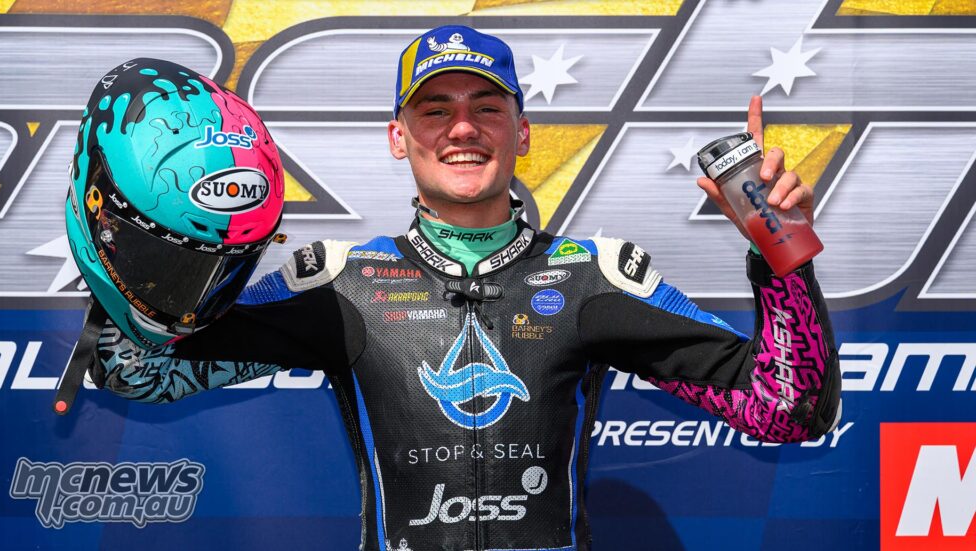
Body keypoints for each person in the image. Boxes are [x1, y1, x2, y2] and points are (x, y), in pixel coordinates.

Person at [88, 26, 841, 551]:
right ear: (398, 136)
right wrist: (136, 232)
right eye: (434, 110)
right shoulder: (340, 283)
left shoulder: (595, 275)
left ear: (522, 133)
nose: (462, 129)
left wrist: (781, 257)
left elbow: (787, 409)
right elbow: (137, 370)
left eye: (486, 108)